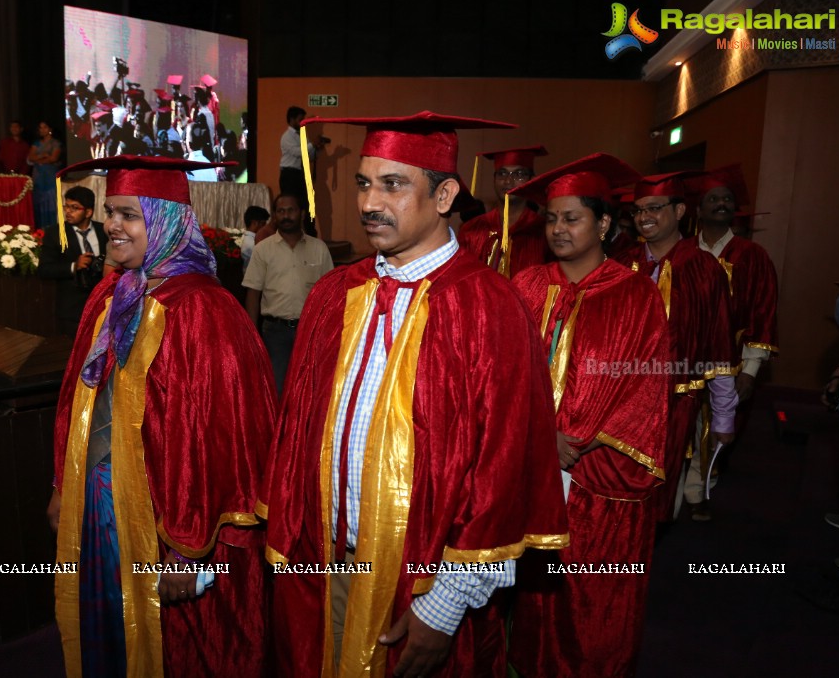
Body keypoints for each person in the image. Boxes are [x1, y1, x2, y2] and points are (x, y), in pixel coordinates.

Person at [258, 111, 569, 678]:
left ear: (445, 193)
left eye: (393, 184)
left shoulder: (488, 306)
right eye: (363, 183)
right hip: (325, 562)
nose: (370, 202)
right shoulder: (335, 294)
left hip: (421, 577)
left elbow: (502, 468)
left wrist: (445, 604)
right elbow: (296, 427)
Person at [47, 155, 274, 677]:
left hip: (162, 520)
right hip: (101, 506)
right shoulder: (111, 295)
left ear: (166, 220)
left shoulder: (204, 312)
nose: (111, 225)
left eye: (128, 214)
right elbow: (75, 401)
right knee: (108, 631)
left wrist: (189, 550)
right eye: (110, 212)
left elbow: (220, 440)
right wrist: (64, 481)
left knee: (174, 650)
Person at [507, 153, 671, 678]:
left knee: (590, 600)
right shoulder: (527, 287)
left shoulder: (634, 294)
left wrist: (572, 438)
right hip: (529, 465)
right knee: (529, 591)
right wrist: (539, 434)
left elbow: (644, 389)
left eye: (571, 218)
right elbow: (501, 373)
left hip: (594, 476)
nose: (558, 228)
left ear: (603, 223)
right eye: (551, 218)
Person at [614, 171, 738, 522]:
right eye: (638, 210)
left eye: (654, 208)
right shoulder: (622, 265)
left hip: (675, 399)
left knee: (656, 495)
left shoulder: (704, 270)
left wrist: (724, 415)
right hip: (618, 395)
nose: (644, 217)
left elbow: (719, 345)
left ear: (681, 210)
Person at [683, 165, 778, 519]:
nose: (721, 203)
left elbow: (763, 313)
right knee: (681, 425)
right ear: (697, 208)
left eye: (727, 199)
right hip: (684, 359)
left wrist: (751, 369)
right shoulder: (682, 253)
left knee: (713, 427)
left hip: (732, 359)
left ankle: (699, 489)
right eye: (713, 198)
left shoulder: (752, 256)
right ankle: (678, 488)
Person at [242, 192, 333, 395]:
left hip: (310, 332)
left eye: (290, 210)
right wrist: (251, 334)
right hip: (275, 333)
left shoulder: (319, 249)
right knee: (277, 391)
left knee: (309, 391)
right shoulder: (263, 250)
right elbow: (253, 293)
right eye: (281, 211)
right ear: (275, 215)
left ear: (301, 213)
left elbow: (330, 294)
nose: (286, 216)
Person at [458, 145, 551, 277]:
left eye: (519, 174)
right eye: (502, 173)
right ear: (494, 179)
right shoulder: (472, 230)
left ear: (531, 179)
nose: (508, 181)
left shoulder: (544, 232)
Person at [38, 185, 110, 337]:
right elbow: (44, 269)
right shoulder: (55, 233)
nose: (68, 211)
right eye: (66, 206)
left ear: (88, 212)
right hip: (72, 309)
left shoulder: (103, 230)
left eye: (75, 208)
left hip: (103, 304)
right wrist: (74, 266)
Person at [279, 106, 317, 208]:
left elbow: (310, 157)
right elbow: (297, 152)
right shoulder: (286, 136)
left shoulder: (301, 135)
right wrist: (312, 144)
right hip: (289, 175)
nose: (302, 122)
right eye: (300, 120)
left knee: (302, 205)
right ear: (292, 119)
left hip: (299, 174)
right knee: (290, 204)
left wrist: (315, 147)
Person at [28, 121, 62, 228]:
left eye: (45, 127)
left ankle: (52, 229)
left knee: (51, 202)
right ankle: (39, 230)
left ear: (50, 129)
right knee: (38, 203)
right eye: (40, 128)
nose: (42, 130)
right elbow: (30, 157)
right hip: (38, 177)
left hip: (50, 176)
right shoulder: (36, 143)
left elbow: (54, 158)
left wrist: (39, 159)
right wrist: (43, 155)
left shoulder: (55, 143)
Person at [240, 204, 269, 271]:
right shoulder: (251, 244)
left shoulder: (251, 239)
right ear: (254, 223)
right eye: (263, 223)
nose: (265, 227)